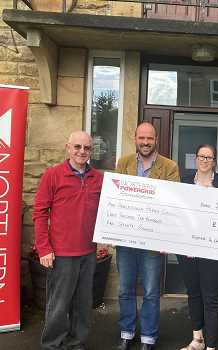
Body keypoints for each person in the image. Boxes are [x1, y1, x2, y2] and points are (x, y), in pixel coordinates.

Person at [33, 131, 103, 350]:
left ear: (92, 150)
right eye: (77, 147)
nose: (82, 151)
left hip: (88, 252)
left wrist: (110, 235)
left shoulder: (99, 178)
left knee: (83, 305)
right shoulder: (52, 175)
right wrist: (44, 248)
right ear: (68, 147)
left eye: (87, 148)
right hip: (61, 253)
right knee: (58, 305)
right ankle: (52, 345)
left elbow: (107, 213)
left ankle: (77, 343)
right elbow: (40, 213)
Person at [114, 122, 180, 350]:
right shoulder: (123, 163)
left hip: (153, 240)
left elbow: (173, 204)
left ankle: (149, 337)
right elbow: (116, 199)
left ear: (156, 141)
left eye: (149, 138)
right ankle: (127, 331)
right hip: (125, 238)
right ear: (135, 139)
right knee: (125, 289)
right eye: (141, 138)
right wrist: (110, 229)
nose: (145, 142)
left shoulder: (169, 167)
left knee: (151, 291)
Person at [177, 143, 218, 350]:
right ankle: (197, 340)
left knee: (211, 298)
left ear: (215, 161)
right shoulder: (183, 182)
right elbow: (177, 217)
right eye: (201, 156)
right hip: (188, 252)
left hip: (213, 251)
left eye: (209, 157)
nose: (204, 160)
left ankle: (211, 346)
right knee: (193, 294)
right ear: (195, 158)